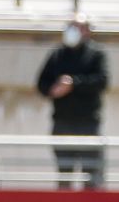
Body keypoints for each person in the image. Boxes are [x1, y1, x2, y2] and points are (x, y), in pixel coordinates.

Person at [36, 15, 109, 190]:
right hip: (62, 122)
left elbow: (102, 81)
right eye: (72, 27)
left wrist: (74, 84)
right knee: (64, 171)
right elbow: (42, 84)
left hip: (88, 123)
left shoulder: (96, 54)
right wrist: (53, 89)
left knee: (91, 172)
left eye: (79, 27)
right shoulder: (57, 54)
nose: (74, 31)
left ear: (87, 31)